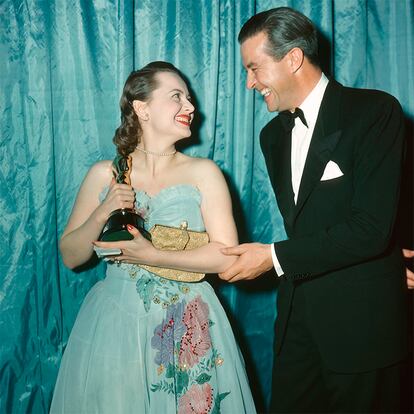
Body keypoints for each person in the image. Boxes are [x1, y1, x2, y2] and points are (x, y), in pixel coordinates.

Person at [219, 7, 410, 414]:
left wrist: (271, 257)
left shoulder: (375, 112)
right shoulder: (271, 137)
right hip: (297, 327)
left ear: (293, 59)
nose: (249, 83)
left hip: (363, 330)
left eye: (254, 68)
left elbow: (372, 228)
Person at [50, 61, 256, 414]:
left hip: (188, 322)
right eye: (177, 97)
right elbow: (71, 254)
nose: (190, 107)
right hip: (117, 323)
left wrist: (152, 255)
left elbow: (226, 256)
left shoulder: (204, 173)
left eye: (189, 99)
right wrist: (104, 210)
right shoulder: (105, 173)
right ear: (142, 108)